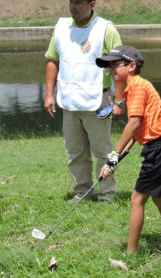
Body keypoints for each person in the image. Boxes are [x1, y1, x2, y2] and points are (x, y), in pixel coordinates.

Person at [96, 45, 161, 254]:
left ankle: (131, 253)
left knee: (137, 199)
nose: (111, 70)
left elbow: (133, 123)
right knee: (158, 197)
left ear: (131, 66)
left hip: (159, 148)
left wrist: (113, 155)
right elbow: (137, 131)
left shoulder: (136, 86)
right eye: (109, 66)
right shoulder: (136, 86)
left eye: (115, 64)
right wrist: (115, 159)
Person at [44, 0, 124, 203]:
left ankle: (106, 195)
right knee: (75, 153)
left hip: (99, 100)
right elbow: (53, 60)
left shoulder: (106, 29)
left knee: (103, 152)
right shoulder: (61, 27)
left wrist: (119, 101)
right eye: (71, 2)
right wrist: (49, 94)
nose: (73, 6)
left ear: (92, 3)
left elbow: (120, 68)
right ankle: (83, 193)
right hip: (70, 102)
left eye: (78, 2)